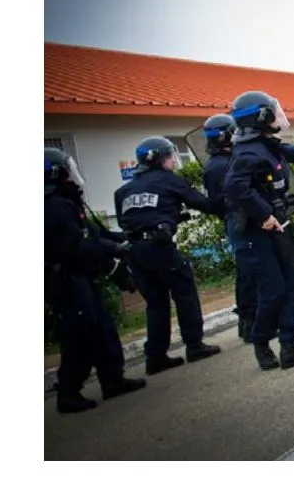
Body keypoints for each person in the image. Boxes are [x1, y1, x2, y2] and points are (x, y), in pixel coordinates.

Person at [224, 91, 294, 371]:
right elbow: (236, 187)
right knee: (273, 290)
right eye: (272, 110)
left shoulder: (264, 144)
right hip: (256, 232)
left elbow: (282, 151)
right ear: (261, 117)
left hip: (276, 227)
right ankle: (261, 341)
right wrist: (264, 213)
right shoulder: (247, 151)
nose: (278, 114)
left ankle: (290, 344)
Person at [46, 148, 147, 413]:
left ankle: (113, 380)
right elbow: (74, 246)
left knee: (103, 329)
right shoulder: (54, 207)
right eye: (69, 168)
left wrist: (123, 238)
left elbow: (94, 232)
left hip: (83, 278)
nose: (74, 174)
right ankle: (68, 391)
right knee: (80, 335)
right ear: (56, 172)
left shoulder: (68, 201)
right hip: (67, 281)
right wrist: (112, 250)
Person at [114, 136, 222, 375]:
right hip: (159, 247)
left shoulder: (124, 190)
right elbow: (204, 204)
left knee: (156, 302)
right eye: (171, 157)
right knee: (184, 292)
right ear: (162, 158)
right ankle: (194, 345)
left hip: (134, 250)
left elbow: (133, 218)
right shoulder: (168, 181)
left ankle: (156, 356)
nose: (173, 161)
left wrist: (172, 215)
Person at [200, 113, 256, 342]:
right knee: (251, 273)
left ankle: (249, 322)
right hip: (242, 222)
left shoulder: (214, 164)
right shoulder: (223, 165)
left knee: (246, 273)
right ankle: (251, 325)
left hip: (234, 222)